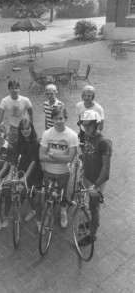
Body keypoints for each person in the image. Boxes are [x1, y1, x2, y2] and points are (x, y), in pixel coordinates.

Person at [39, 105, 78, 228]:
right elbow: (41, 155)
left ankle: (63, 212)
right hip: (48, 171)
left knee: (63, 193)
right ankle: (48, 213)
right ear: (53, 119)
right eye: (55, 118)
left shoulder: (72, 135)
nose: (58, 121)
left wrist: (51, 155)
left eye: (61, 118)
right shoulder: (47, 133)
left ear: (65, 118)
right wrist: (61, 158)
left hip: (63, 172)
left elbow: (70, 158)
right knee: (48, 193)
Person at [79, 109, 112, 246]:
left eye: (89, 125)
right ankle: (91, 221)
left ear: (96, 124)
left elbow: (106, 167)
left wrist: (96, 185)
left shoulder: (104, 142)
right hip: (87, 176)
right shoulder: (87, 135)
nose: (86, 128)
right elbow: (87, 153)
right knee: (90, 203)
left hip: (96, 181)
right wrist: (83, 168)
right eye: (84, 124)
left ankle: (93, 234)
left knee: (94, 206)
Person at [8, 118, 43, 232]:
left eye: (27, 128)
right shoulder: (18, 142)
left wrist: (26, 176)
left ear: (31, 128)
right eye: (22, 129)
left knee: (36, 196)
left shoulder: (37, 143)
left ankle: (39, 219)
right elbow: (14, 159)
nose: (25, 131)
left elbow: (34, 161)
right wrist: (10, 174)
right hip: (23, 170)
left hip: (35, 172)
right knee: (28, 193)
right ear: (20, 131)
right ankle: (33, 210)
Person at [0, 79, 33, 146]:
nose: (14, 90)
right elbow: (0, 117)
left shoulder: (25, 100)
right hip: (13, 128)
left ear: (19, 89)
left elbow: (31, 114)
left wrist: (31, 126)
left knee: (27, 147)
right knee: (11, 148)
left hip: (24, 127)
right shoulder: (4, 101)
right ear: (9, 89)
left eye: (16, 88)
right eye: (12, 88)